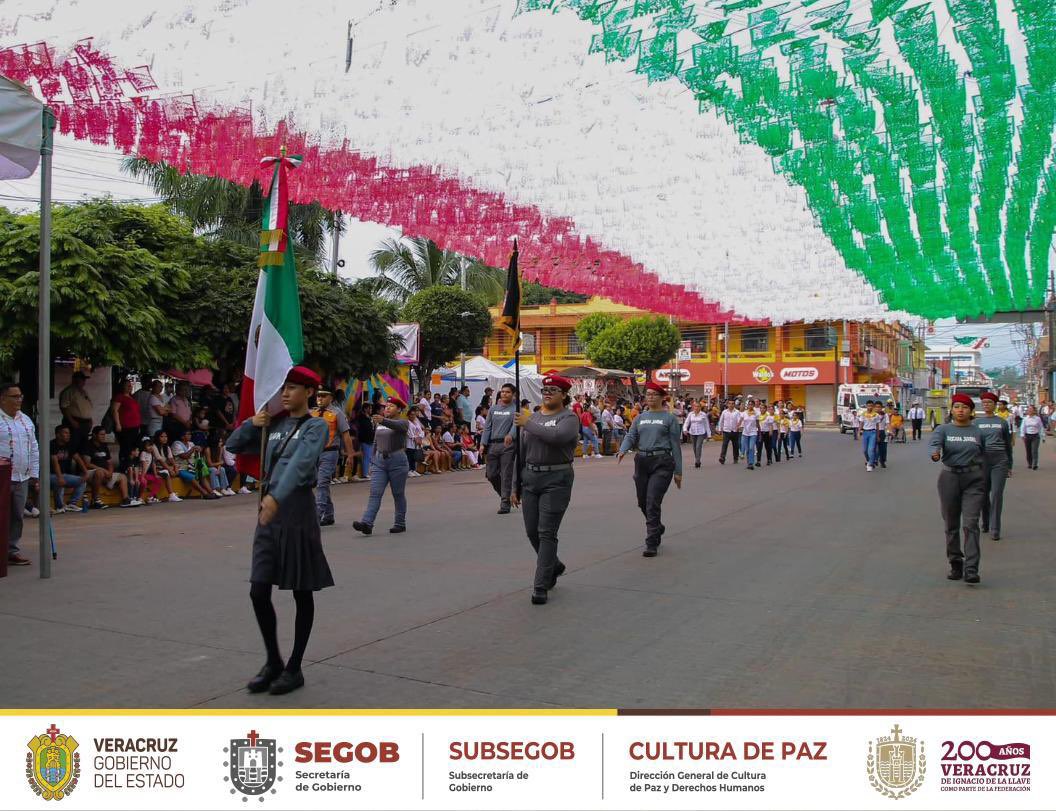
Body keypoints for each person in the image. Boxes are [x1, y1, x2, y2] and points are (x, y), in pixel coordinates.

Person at [227, 365, 333, 696]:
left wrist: (276, 495)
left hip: (296, 512)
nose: (285, 393)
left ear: (309, 392)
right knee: (258, 590)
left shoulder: (315, 427)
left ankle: (295, 667)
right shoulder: (273, 423)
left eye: (292, 387)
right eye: (283, 388)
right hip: (268, 515)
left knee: (302, 592)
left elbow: (301, 464)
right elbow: (233, 445)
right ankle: (273, 660)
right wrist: (250, 424)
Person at [512, 374, 579, 605]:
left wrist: (528, 422)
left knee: (546, 532)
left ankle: (541, 584)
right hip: (530, 478)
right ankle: (554, 564)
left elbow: (558, 437)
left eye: (553, 390)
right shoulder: (533, 418)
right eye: (545, 390)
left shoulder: (568, 417)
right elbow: (520, 454)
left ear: (563, 395)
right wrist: (514, 486)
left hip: (556, 479)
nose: (548, 393)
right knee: (532, 531)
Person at [930, 393, 989, 585]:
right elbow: (935, 444)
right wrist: (936, 453)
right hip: (949, 478)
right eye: (956, 407)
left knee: (971, 524)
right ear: (952, 410)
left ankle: (971, 569)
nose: (960, 410)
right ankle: (955, 562)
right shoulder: (944, 429)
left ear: (971, 411)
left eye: (964, 407)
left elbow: (987, 454)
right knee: (951, 524)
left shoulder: (978, 431)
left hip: (973, 479)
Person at [618, 382, 683, 557]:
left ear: (663, 398)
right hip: (642, 460)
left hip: (662, 461)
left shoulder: (669, 419)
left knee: (652, 500)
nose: (650, 397)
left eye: (654, 394)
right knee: (642, 502)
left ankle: (651, 541)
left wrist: (678, 471)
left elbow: (676, 446)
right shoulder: (640, 417)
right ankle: (658, 526)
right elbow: (631, 435)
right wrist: (623, 448)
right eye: (648, 394)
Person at [353, 397, 411, 535]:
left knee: (398, 494)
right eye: (386, 406)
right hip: (380, 462)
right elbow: (375, 443)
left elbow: (397, 426)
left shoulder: (403, 422)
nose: (387, 408)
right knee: (375, 493)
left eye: (391, 406)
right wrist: (373, 461)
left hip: (397, 461)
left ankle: (399, 523)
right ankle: (367, 523)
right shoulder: (380, 424)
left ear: (399, 409)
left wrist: (383, 420)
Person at [1, 382, 39, 565]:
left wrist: (35, 473)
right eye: (14, 396)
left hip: (21, 476)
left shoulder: (25, 420)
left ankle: (11, 551)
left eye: (20, 396)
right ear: (3, 399)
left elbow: (34, 448)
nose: (19, 400)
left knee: (17, 515)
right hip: (2, 476)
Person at [311, 386, 354, 526]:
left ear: (331, 398)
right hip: (313, 453)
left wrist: (350, 455)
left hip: (330, 452)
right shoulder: (312, 413)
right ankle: (329, 515)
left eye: (323, 396)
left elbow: (346, 435)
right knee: (321, 483)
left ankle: (317, 515)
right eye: (318, 396)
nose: (320, 399)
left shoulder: (337, 413)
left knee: (322, 482)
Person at [974, 392, 1013, 541]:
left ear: (995, 405)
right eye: (984, 403)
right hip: (983, 461)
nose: (986, 405)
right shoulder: (977, 423)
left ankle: (995, 529)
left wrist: (1010, 464)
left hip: (1000, 460)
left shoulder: (1002, 422)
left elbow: (1008, 444)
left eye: (989, 403)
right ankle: (986, 522)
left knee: (996, 494)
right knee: (983, 494)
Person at [481, 383, 518, 514]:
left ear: (513, 395)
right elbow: (487, 427)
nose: (504, 394)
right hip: (493, 445)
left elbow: (515, 425)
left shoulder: (515, 409)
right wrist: (483, 443)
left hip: (507, 445)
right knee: (491, 475)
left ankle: (505, 503)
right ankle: (506, 495)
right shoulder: (493, 409)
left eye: (507, 392)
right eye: (502, 392)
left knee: (506, 474)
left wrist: (511, 435)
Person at [75, 425, 133, 508]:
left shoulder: (104, 446)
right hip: (89, 472)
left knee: (122, 477)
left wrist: (110, 472)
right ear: (94, 435)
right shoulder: (87, 445)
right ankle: (95, 500)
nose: (104, 437)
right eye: (101, 434)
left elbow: (110, 462)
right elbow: (87, 464)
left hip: (105, 473)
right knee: (99, 472)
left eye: (104, 434)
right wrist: (103, 470)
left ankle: (126, 499)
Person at [171, 429, 221, 499]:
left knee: (202, 474)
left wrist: (198, 451)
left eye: (190, 434)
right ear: (182, 436)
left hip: (192, 467)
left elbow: (196, 456)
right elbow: (184, 456)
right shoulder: (176, 444)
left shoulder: (191, 443)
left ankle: (212, 492)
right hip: (181, 468)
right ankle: (205, 494)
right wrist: (193, 449)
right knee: (192, 477)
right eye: (187, 434)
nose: (190, 436)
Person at [49, 424, 87, 513]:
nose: (68, 435)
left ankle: (72, 504)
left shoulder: (69, 445)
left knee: (82, 481)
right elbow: (55, 462)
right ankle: (60, 506)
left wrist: (85, 472)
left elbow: (77, 458)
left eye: (69, 433)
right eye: (65, 433)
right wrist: (60, 477)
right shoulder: (52, 444)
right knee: (59, 482)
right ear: (58, 435)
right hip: (50, 475)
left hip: (64, 475)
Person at [59, 371, 94, 451]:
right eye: (82, 379)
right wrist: (72, 421)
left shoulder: (83, 391)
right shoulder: (68, 392)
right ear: (75, 380)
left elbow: (87, 407)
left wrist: (90, 419)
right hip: (75, 421)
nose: (83, 382)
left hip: (85, 422)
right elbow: (64, 407)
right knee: (73, 445)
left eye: (83, 380)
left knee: (84, 446)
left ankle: (81, 463)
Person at [110, 378, 143, 462]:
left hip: (134, 426)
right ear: (123, 387)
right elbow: (114, 410)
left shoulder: (131, 397)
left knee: (133, 447)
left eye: (130, 386)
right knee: (126, 447)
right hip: (125, 427)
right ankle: (124, 465)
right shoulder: (119, 397)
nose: (130, 387)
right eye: (127, 386)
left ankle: (131, 464)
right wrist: (117, 424)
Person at [151, 430, 183, 502]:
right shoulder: (154, 446)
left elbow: (171, 459)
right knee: (166, 472)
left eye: (166, 436)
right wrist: (170, 470)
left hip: (163, 467)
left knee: (177, 468)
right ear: (157, 438)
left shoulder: (167, 447)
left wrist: (175, 467)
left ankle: (173, 493)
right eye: (162, 436)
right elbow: (160, 460)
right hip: (155, 468)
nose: (164, 438)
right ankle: (171, 494)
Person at [683, 399, 711, 468]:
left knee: (698, 446)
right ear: (693, 407)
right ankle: (697, 458)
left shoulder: (703, 414)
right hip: (692, 432)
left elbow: (706, 424)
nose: (696, 408)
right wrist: (685, 429)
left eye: (698, 406)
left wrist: (709, 434)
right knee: (694, 447)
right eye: (695, 406)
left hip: (701, 432)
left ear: (700, 407)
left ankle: (697, 461)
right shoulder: (690, 414)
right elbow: (687, 422)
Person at [353, 404, 375, 481]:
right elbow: (363, 429)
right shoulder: (361, 417)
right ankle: (365, 474)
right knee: (366, 457)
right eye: (370, 408)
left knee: (370, 457)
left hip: (371, 439)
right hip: (365, 440)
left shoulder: (369, 418)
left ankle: (369, 473)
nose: (371, 410)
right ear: (365, 409)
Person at [717, 399, 741, 465]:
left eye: (732, 403)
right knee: (724, 445)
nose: (731, 405)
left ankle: (735, 458)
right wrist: (720, 429)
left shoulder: (737, 412)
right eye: (730, 403)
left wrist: (739, 427)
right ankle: (722, 458)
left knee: (735, 446)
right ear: (727, 404)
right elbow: (721, 421)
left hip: (735, 431)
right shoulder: (724, 412)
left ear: (734, 404)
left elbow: (739, 421)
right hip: (726, 431)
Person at [860, 401, 882, 470]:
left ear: (873, 407)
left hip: (873, 432)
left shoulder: (876, 415)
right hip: (865, 433)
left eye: (871, 406)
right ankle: (869, 460)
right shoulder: (863, 414)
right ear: (866, 406)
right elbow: (861, 423)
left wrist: (878, 436)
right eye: (868, 406)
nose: (870, 407)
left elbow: (877, 426)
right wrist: (859, 431)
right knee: (865, 450)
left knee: (871, 449)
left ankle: (870, 464)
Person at [1020, 405, 1043, 470]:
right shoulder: (1025, 418)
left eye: (1031, 410)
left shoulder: (1037, 418)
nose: (1029, 411)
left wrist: (1043, 436)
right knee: (1028, 451)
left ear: (1034, 411)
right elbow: (1023, 427)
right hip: (1027, 436)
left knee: (1034, 451)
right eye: (1028, 410)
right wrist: (1022, 435)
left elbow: (1041, 427)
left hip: (1035, 436)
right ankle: (1030, 463)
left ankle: (1034, 464)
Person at [406, 406, 427, 477]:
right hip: (410, 442)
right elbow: (409, 433)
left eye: (414, 415)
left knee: (414, 456)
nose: (413, 416)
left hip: (417, 442)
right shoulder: (407, 423)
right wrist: (415, 438)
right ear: (408, 415)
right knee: (409, 456)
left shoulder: (416, 422)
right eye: (411, 415)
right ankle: (409, 470)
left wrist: (420, 437)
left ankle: (413, 469)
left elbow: (421, 431)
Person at [739, 400, 759, 470]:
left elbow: (757, 423)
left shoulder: (756, 413)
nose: (750, 406)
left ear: (753, 405)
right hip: (745, 433)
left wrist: (759, 432)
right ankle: (748, 463)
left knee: (751, 447)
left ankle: (751, 463)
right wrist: (737, 427)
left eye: (751, 404)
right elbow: (740, 421)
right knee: (747, 449)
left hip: (753, 432)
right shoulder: (744, 413)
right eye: (749, 404)